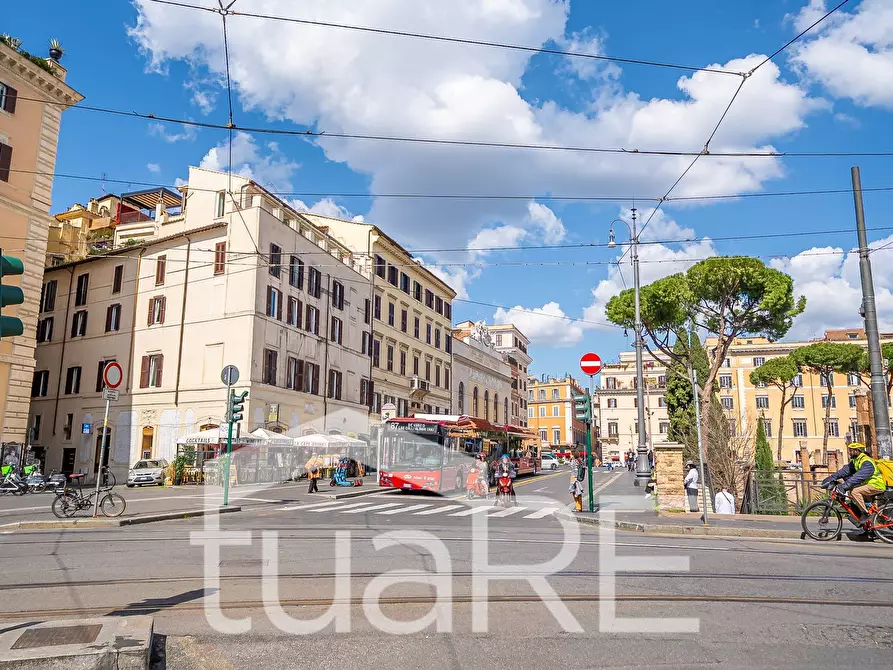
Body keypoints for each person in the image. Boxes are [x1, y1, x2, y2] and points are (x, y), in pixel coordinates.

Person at [823, 442, 887, 524]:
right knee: (853, 493)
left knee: (854, 492)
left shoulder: (867, 462)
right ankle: (865, 521)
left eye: (851, 450)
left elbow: (858, 477)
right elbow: (845, 471)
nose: (849, 452)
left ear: (857, 451)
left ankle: (865, 514)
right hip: (867, 485)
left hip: (876, 485)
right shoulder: (856, 460)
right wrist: (831, 478)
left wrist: (844, 486)